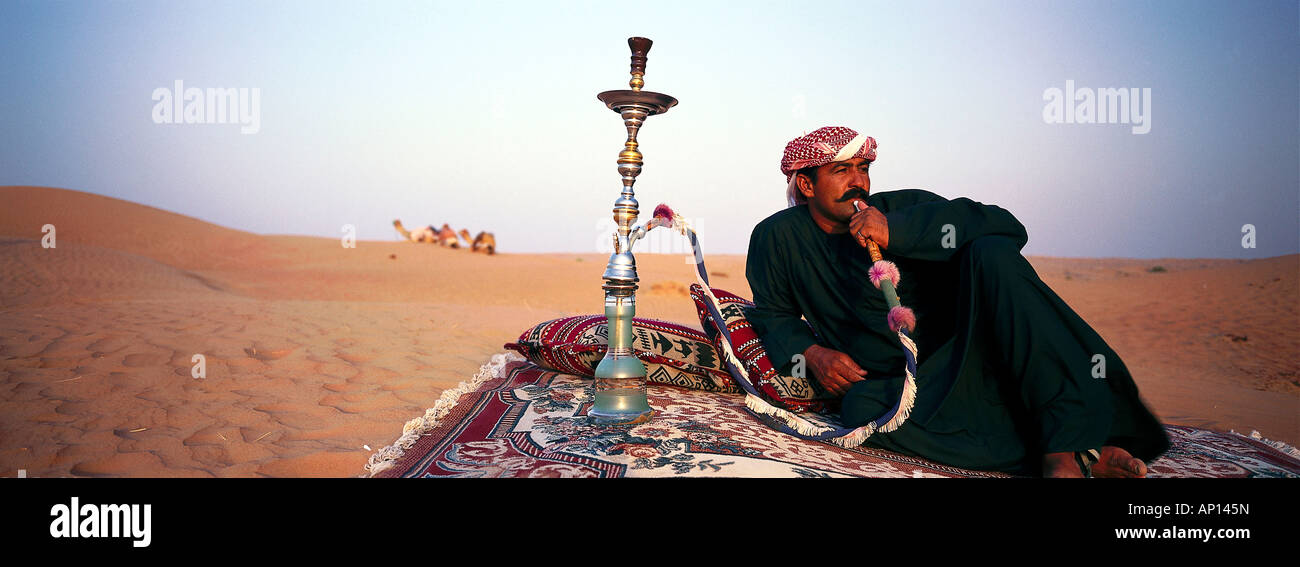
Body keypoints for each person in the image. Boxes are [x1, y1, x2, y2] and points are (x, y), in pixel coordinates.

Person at [745, 126, 1169, 477]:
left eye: (863, 168)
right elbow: (775, 313)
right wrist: (812, 352)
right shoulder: (776, 237)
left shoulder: (903, 207)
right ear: (806, 183)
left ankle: (1064, 454)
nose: (858, 181)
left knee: (991, 252)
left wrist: (898, 231)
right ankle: (1085, 452)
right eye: (841, 171)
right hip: (912, 385)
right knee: (863, 409)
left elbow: (1005, 225)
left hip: (978, 355)